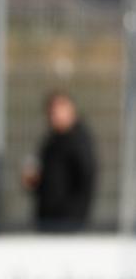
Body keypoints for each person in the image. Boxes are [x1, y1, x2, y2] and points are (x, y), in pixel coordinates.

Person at [22, 91, 96, 232]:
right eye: (50, 112)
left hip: (67, 222)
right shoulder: (50, 141)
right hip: (47, 220)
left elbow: (86, 178)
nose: (53, 116)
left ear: (70, 110)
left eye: (57, 111)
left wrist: (74, 215)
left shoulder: (79, 141)